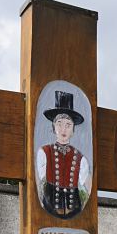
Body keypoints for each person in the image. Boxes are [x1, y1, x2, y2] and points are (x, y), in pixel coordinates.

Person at [37, 91, 92, 219]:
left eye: (68, 125)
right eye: (59, 124)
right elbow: (40, 181)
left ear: (73, 130)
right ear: (53, 127)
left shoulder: (80, 157)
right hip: (50, 204)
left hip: (74, 207)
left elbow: (88, 184)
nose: (63, 129)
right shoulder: (44, 152)